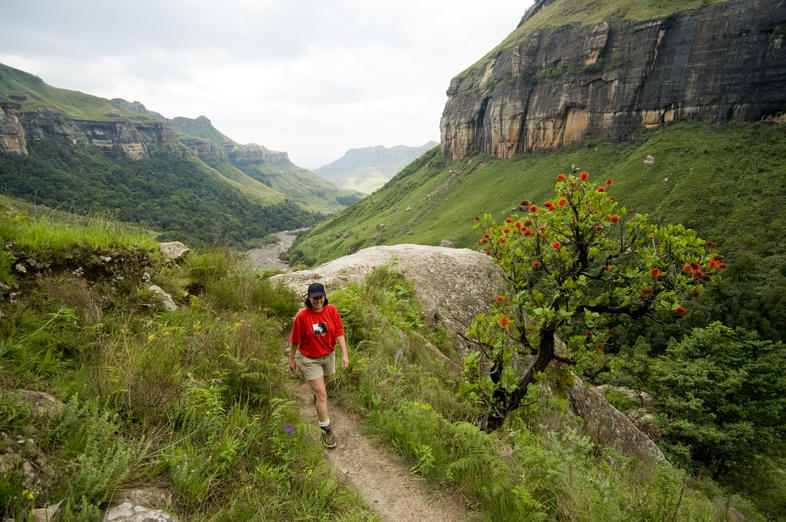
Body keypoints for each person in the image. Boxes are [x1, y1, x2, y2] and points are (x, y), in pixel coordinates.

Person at [289, 282, 349, 448]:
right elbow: (295, 340)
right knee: (322, 393)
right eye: (314, 298)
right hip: (310, 359)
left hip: (328, 356)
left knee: (323, 386)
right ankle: (325, 429)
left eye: (320, 297)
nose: (318, 301)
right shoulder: (302, 316)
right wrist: (292, 359)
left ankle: (318, 398)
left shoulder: (331, 311)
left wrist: (344, 354)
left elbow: (339, 332)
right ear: (309, 298)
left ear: (324, 296)